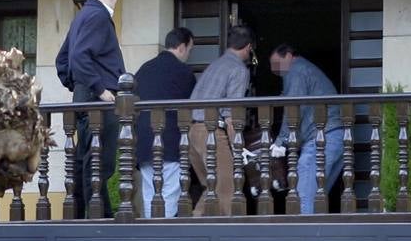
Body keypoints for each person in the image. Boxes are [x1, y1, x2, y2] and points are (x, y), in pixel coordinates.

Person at [55, 0, 125, 219]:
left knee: (88, 157)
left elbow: (63, 61)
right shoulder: (97, 16)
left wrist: (78, 86)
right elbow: (77, 57)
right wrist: (99, 89)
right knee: (98, 161)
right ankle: (98, 216)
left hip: (86, 96)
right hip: (98, 99)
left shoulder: (83, 15)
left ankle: (88, 214)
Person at [188, 25, 254, 216]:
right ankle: (191, 233)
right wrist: (238, 146)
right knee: (226, 188)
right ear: (249, 47)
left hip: (191, 133)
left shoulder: (215, 64)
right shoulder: (238, 69)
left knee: (212, 189)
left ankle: (199, 236)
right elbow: (232, 114)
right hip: (211, 133)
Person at [270, 45, 343, 215]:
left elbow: (294, 107)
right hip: (337, 137)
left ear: (288, 55)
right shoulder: (306, 69)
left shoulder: (296, 70)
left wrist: (281, 141)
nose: (275, 70)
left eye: (276, 64)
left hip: (322, 137)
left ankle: (302, 240)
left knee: (304, 198)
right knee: (316, 197)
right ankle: (315, 240)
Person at [133, 27, 196, 217]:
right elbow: (194, 107)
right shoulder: (184, 72)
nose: (188, 54)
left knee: (149, 194)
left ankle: (150, 239)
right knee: (169, 195)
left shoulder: (143, 69)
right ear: (183, 46)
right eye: (190, 49)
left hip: (144, 142)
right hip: (171, 142)